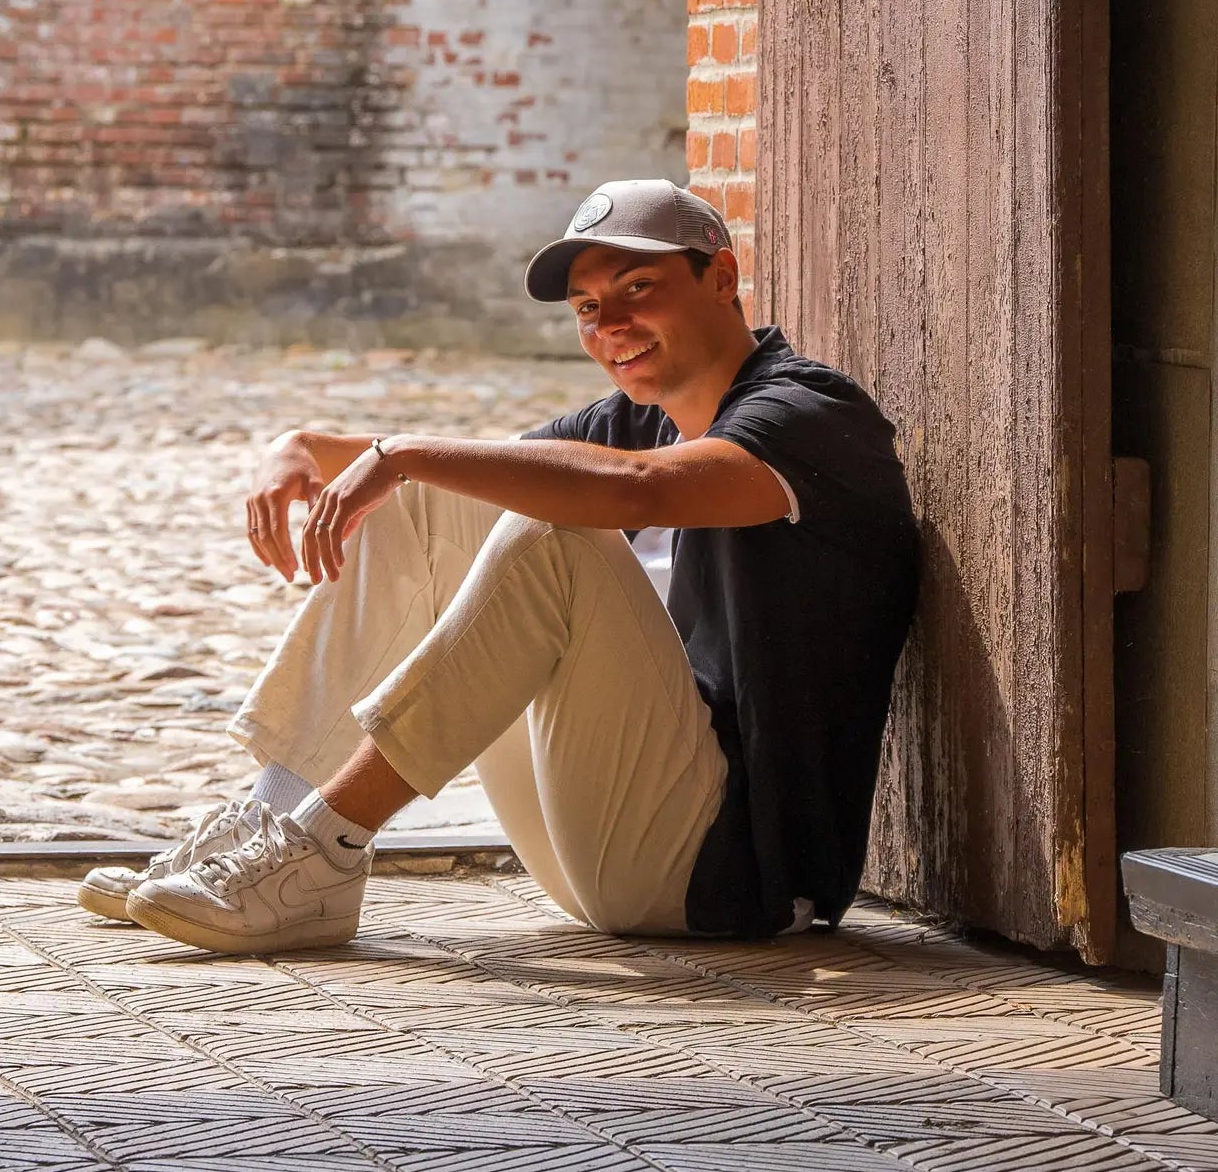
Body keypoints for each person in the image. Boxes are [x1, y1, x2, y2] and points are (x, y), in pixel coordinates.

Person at [78, 179, 920, 952]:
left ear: (722, 278)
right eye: (589, 307)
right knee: (430, 500)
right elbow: (463, 475)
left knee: (548, 530)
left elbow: (634, 494)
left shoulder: (809, 414)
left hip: (733, 875)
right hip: (597, 844)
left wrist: (396, 453)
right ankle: (272, 833)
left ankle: (325, 843)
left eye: (638, 290)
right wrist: (298, 446)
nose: (611, 325)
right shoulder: (638, 420)